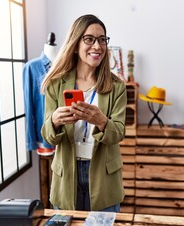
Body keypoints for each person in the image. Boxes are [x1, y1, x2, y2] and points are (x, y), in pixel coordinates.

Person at [41, 14, 127, 212]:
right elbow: (47, 136)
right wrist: (54, 121)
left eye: (102, 39)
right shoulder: (56, 83)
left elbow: (119, 133)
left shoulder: (116, 86)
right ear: (75, 42)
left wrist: (102, 121)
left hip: (104, 178)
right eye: (89, 39)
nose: (97, 46)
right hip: (66, 177)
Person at [23, 32, 57, 156]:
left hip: (66, 133)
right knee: (46, 169)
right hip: (42, 132)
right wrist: (31, 139)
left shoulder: (65, 66)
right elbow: (29, 105)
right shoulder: (31, 67)